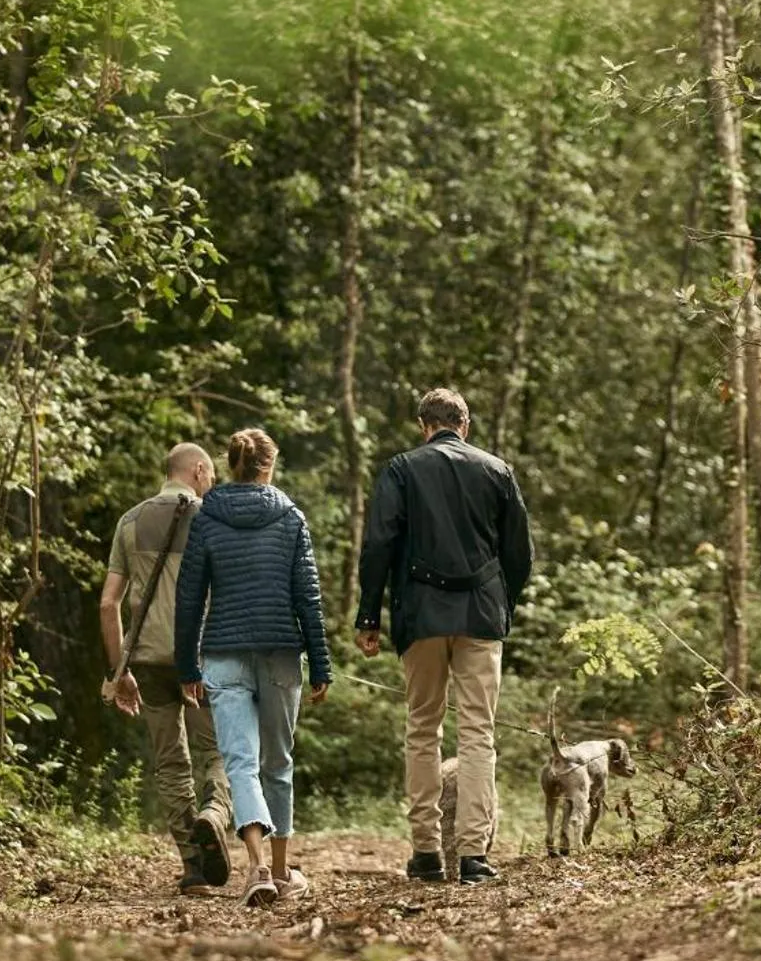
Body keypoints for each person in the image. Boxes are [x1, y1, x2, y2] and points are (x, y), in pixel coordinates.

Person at [354, 387, 531, 885]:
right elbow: (520, 554)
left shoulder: (400, 470)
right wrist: (502, 606)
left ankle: (427, 853)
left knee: (422, 729)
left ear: (422, 425)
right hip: (480, 615)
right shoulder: (497, 471)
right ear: (465, 425)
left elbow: (378, 546)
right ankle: (474, 854)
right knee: (478, 733)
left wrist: (369, 615)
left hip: (421, 616)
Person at [175, 428, 332, 908]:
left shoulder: (207, 518)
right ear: (268, 466)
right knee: (278, 763)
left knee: (241, 764)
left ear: (233, 464)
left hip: (223, 653)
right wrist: (321, 660)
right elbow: (307, 595)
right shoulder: (291, 517)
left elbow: (189, 597)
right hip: (282, 652)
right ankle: (282, 871)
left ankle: (258, 868)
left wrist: (186, 664)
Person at [99, 442, 233, 895]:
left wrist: (120, 672)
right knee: (219, 751)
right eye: (211, 475)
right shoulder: (212, 519)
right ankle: (214, 816)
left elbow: (108, 604)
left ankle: (194, 866)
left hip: (148, 660)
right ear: (198, 471)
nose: (211, 482)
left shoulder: (130, 522)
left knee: (171, 761)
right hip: (200, 658)